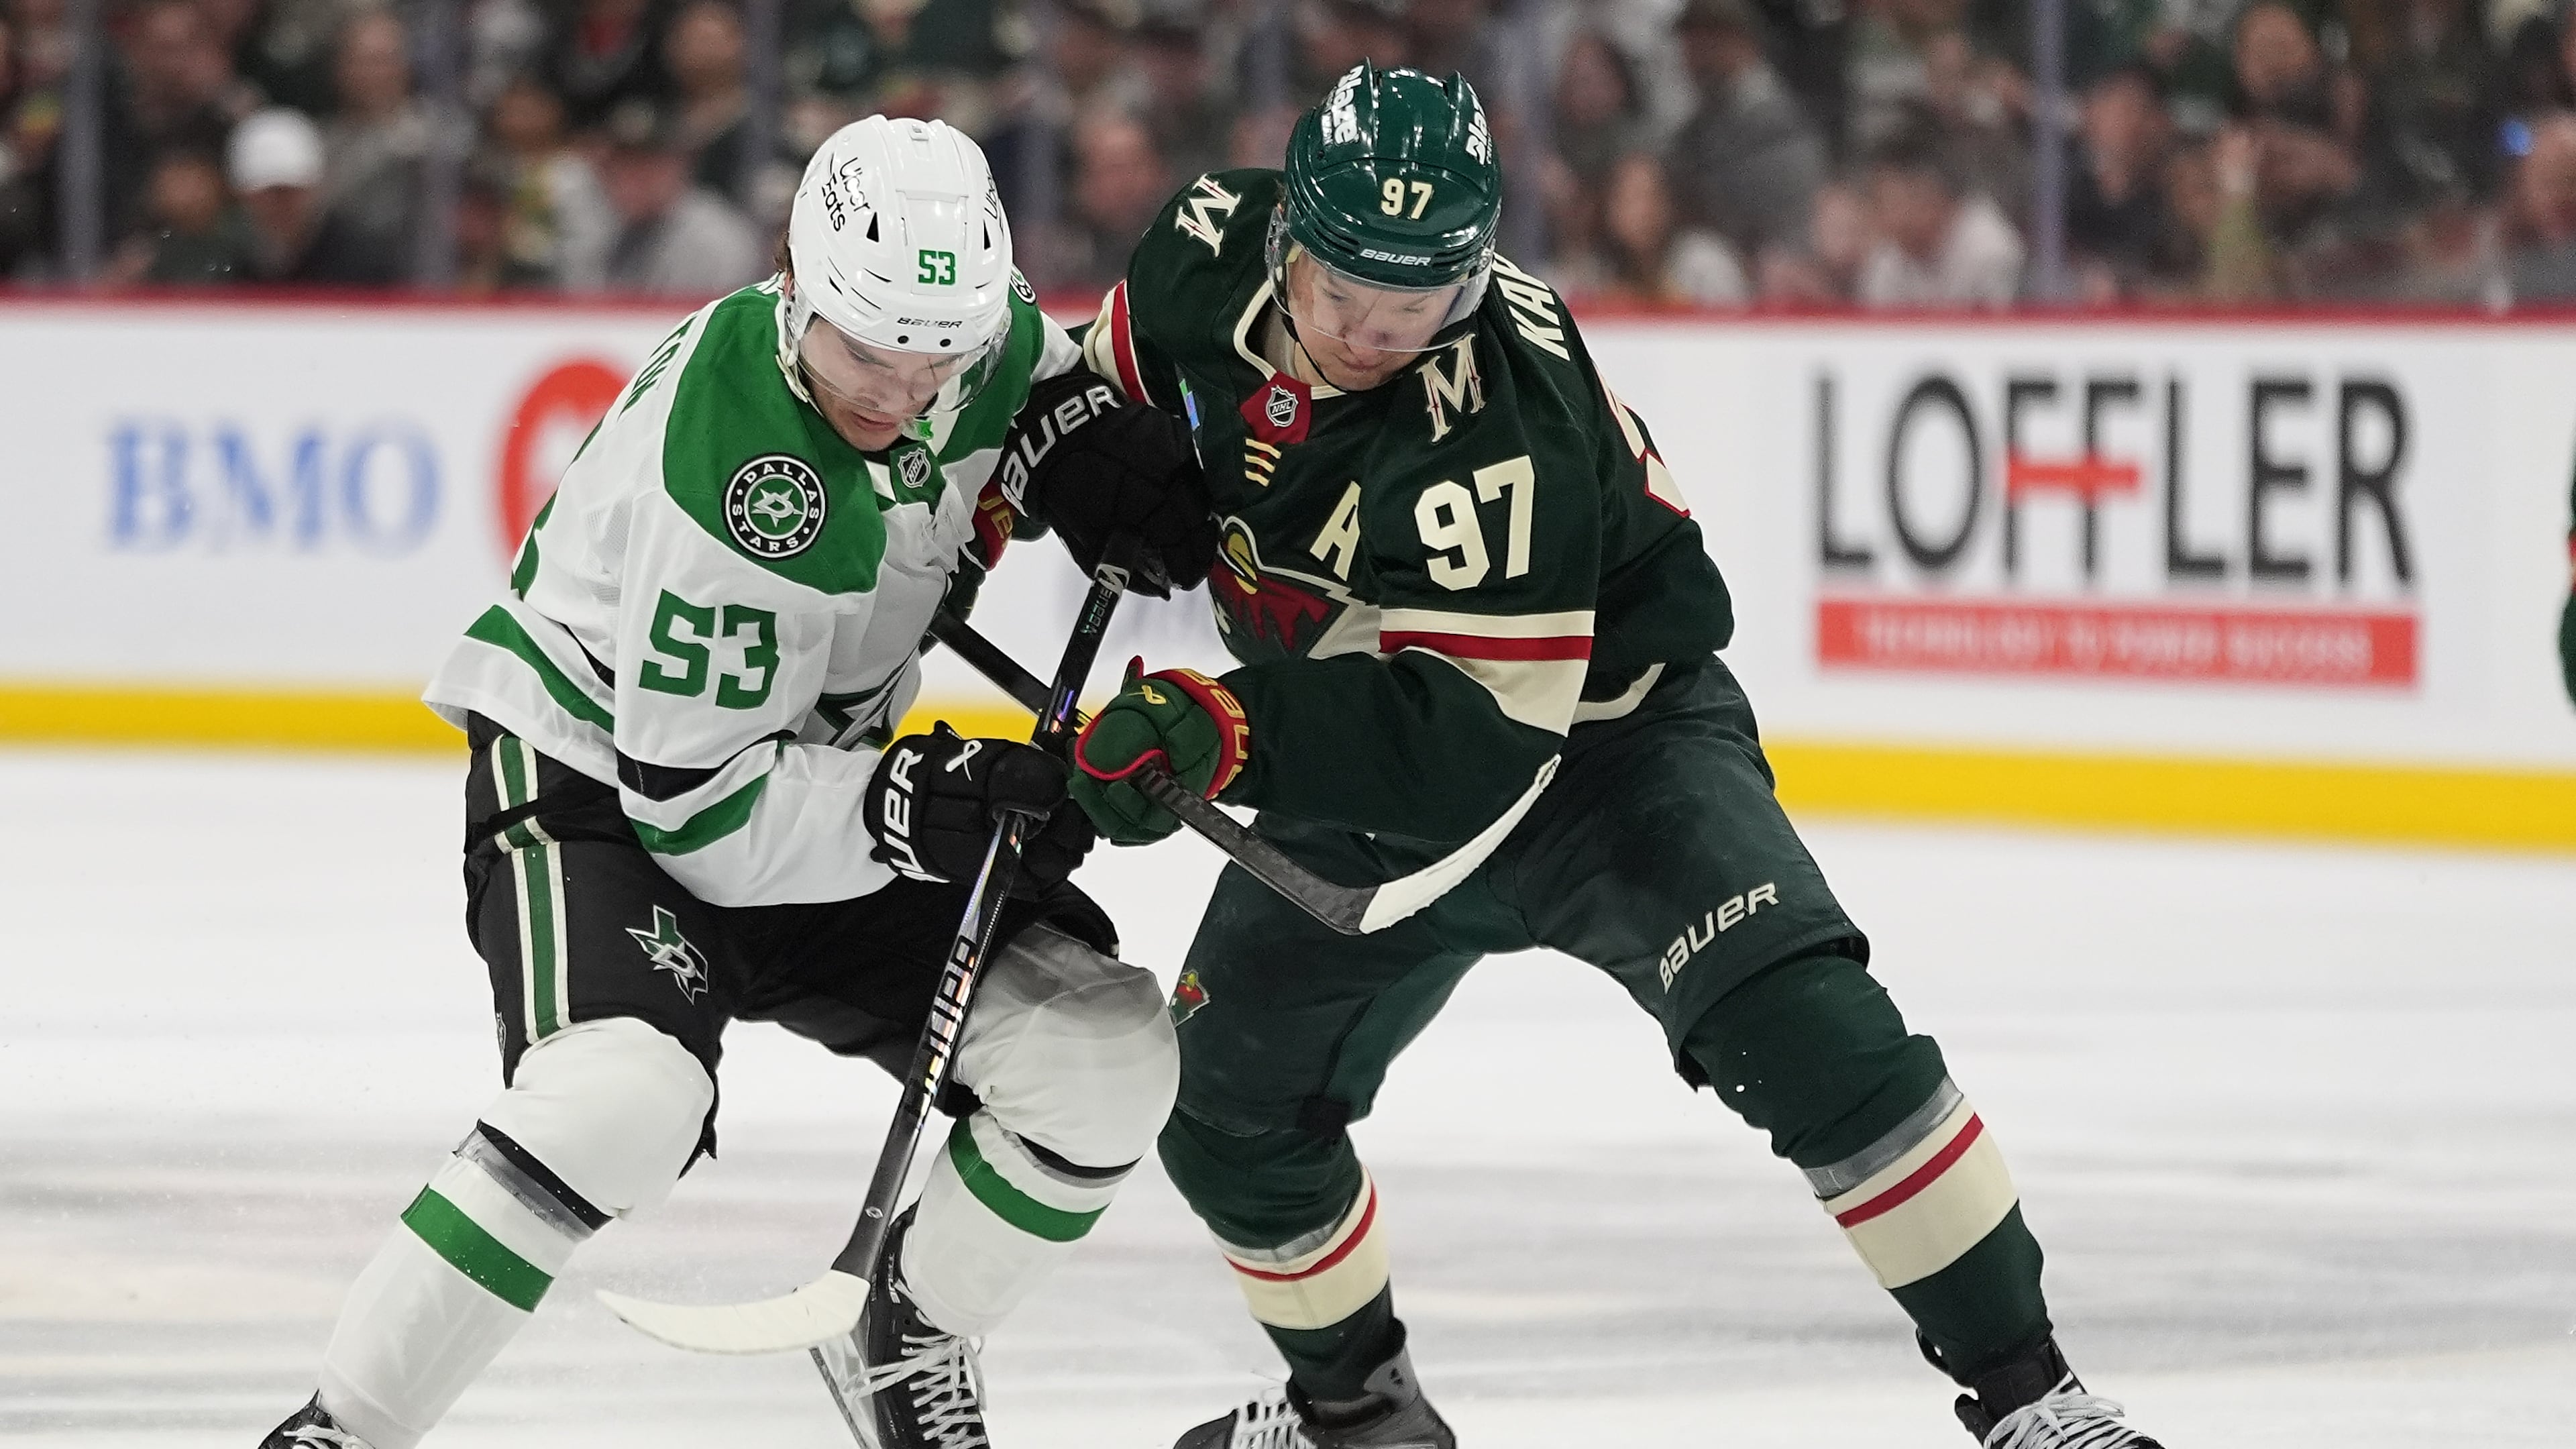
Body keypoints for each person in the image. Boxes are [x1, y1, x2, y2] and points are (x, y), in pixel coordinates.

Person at [1064, 62, 2168, 1448]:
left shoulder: (1495, 415)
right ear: (1289, 233)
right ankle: (1360, 1416)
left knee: (1811, 1033)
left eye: (1410, 304)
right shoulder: (1207, 238)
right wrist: (1047, 466)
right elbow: (1083, 389)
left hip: (1603, 749)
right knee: (1225, 1098)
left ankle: (2035, 1398)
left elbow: (1469, 745)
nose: (1363, 330)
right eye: (1340, 287)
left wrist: (1223, 726)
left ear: (1465, 278)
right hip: (1365, 746)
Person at [255, 114, 1216, 1449]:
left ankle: (906, 1338)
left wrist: (1084, 450)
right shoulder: (745, 482)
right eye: (865, 355)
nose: (899, 391)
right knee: (620, 1102)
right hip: (610, 787)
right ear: (800, 284)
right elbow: (701, 819)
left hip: (805, 782)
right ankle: (340, 1431)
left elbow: (1025, 378)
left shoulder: (952, 328)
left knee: (1104, 1061)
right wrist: (912, 810)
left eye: (930, 360)